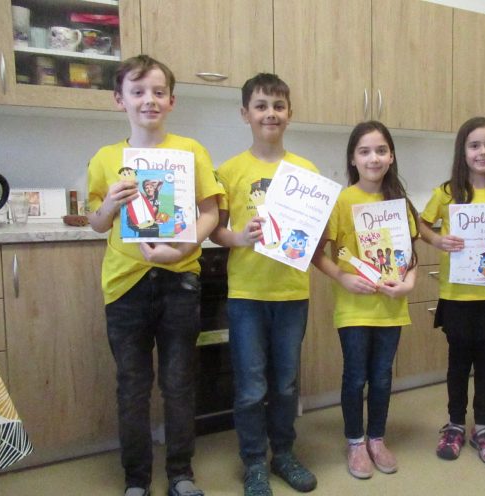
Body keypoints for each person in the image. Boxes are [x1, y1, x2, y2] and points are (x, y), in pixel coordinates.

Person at [87, 54, 222, 496]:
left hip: (179, 282)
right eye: (138, 91)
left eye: (159, 92)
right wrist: (110, 203)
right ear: (119, 99)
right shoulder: (106, 158)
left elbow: (210, 212)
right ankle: (137, 480)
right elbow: (97, 223)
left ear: (172, 100)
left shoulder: (190, 151)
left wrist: (182, 246)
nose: (149, 100)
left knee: (179, 384)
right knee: (132, 386)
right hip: (124, 286)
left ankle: (181, 474)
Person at [209, 73, 318, 496]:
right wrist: (240, 237)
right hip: (247, 296)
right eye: (260, 106)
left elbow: (316, 235)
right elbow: (216, 231)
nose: (270, 113)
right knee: (251, 387)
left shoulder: (306, 172)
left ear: (290, 113)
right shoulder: (229, 171)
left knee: (286, 384)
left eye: (278, 105)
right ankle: (254, 462)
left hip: (291, 293)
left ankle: (284, 454)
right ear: (245, 113)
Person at [311, 121, 419, 480]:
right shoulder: (342, 201)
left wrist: (407, 286)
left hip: (390, 308)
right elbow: (317, 254)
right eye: (365, 151)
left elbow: (411, 260)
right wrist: (342, 277)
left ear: (391, 157)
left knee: (383, 377)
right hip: (354, 308)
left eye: (381, 151)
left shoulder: (399, 204)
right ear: (353, 159)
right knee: (356, 376)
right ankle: (355, 442)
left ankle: (376, 438)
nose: (374, 158)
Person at [419, 116, 485, 467]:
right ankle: (455, 425)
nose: (482, 152)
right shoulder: (447, 192)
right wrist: (438, 241)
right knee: (458, 363)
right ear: (462, 151)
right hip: (458, 296)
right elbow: (421, 225)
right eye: (474, 145)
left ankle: (484, 428)